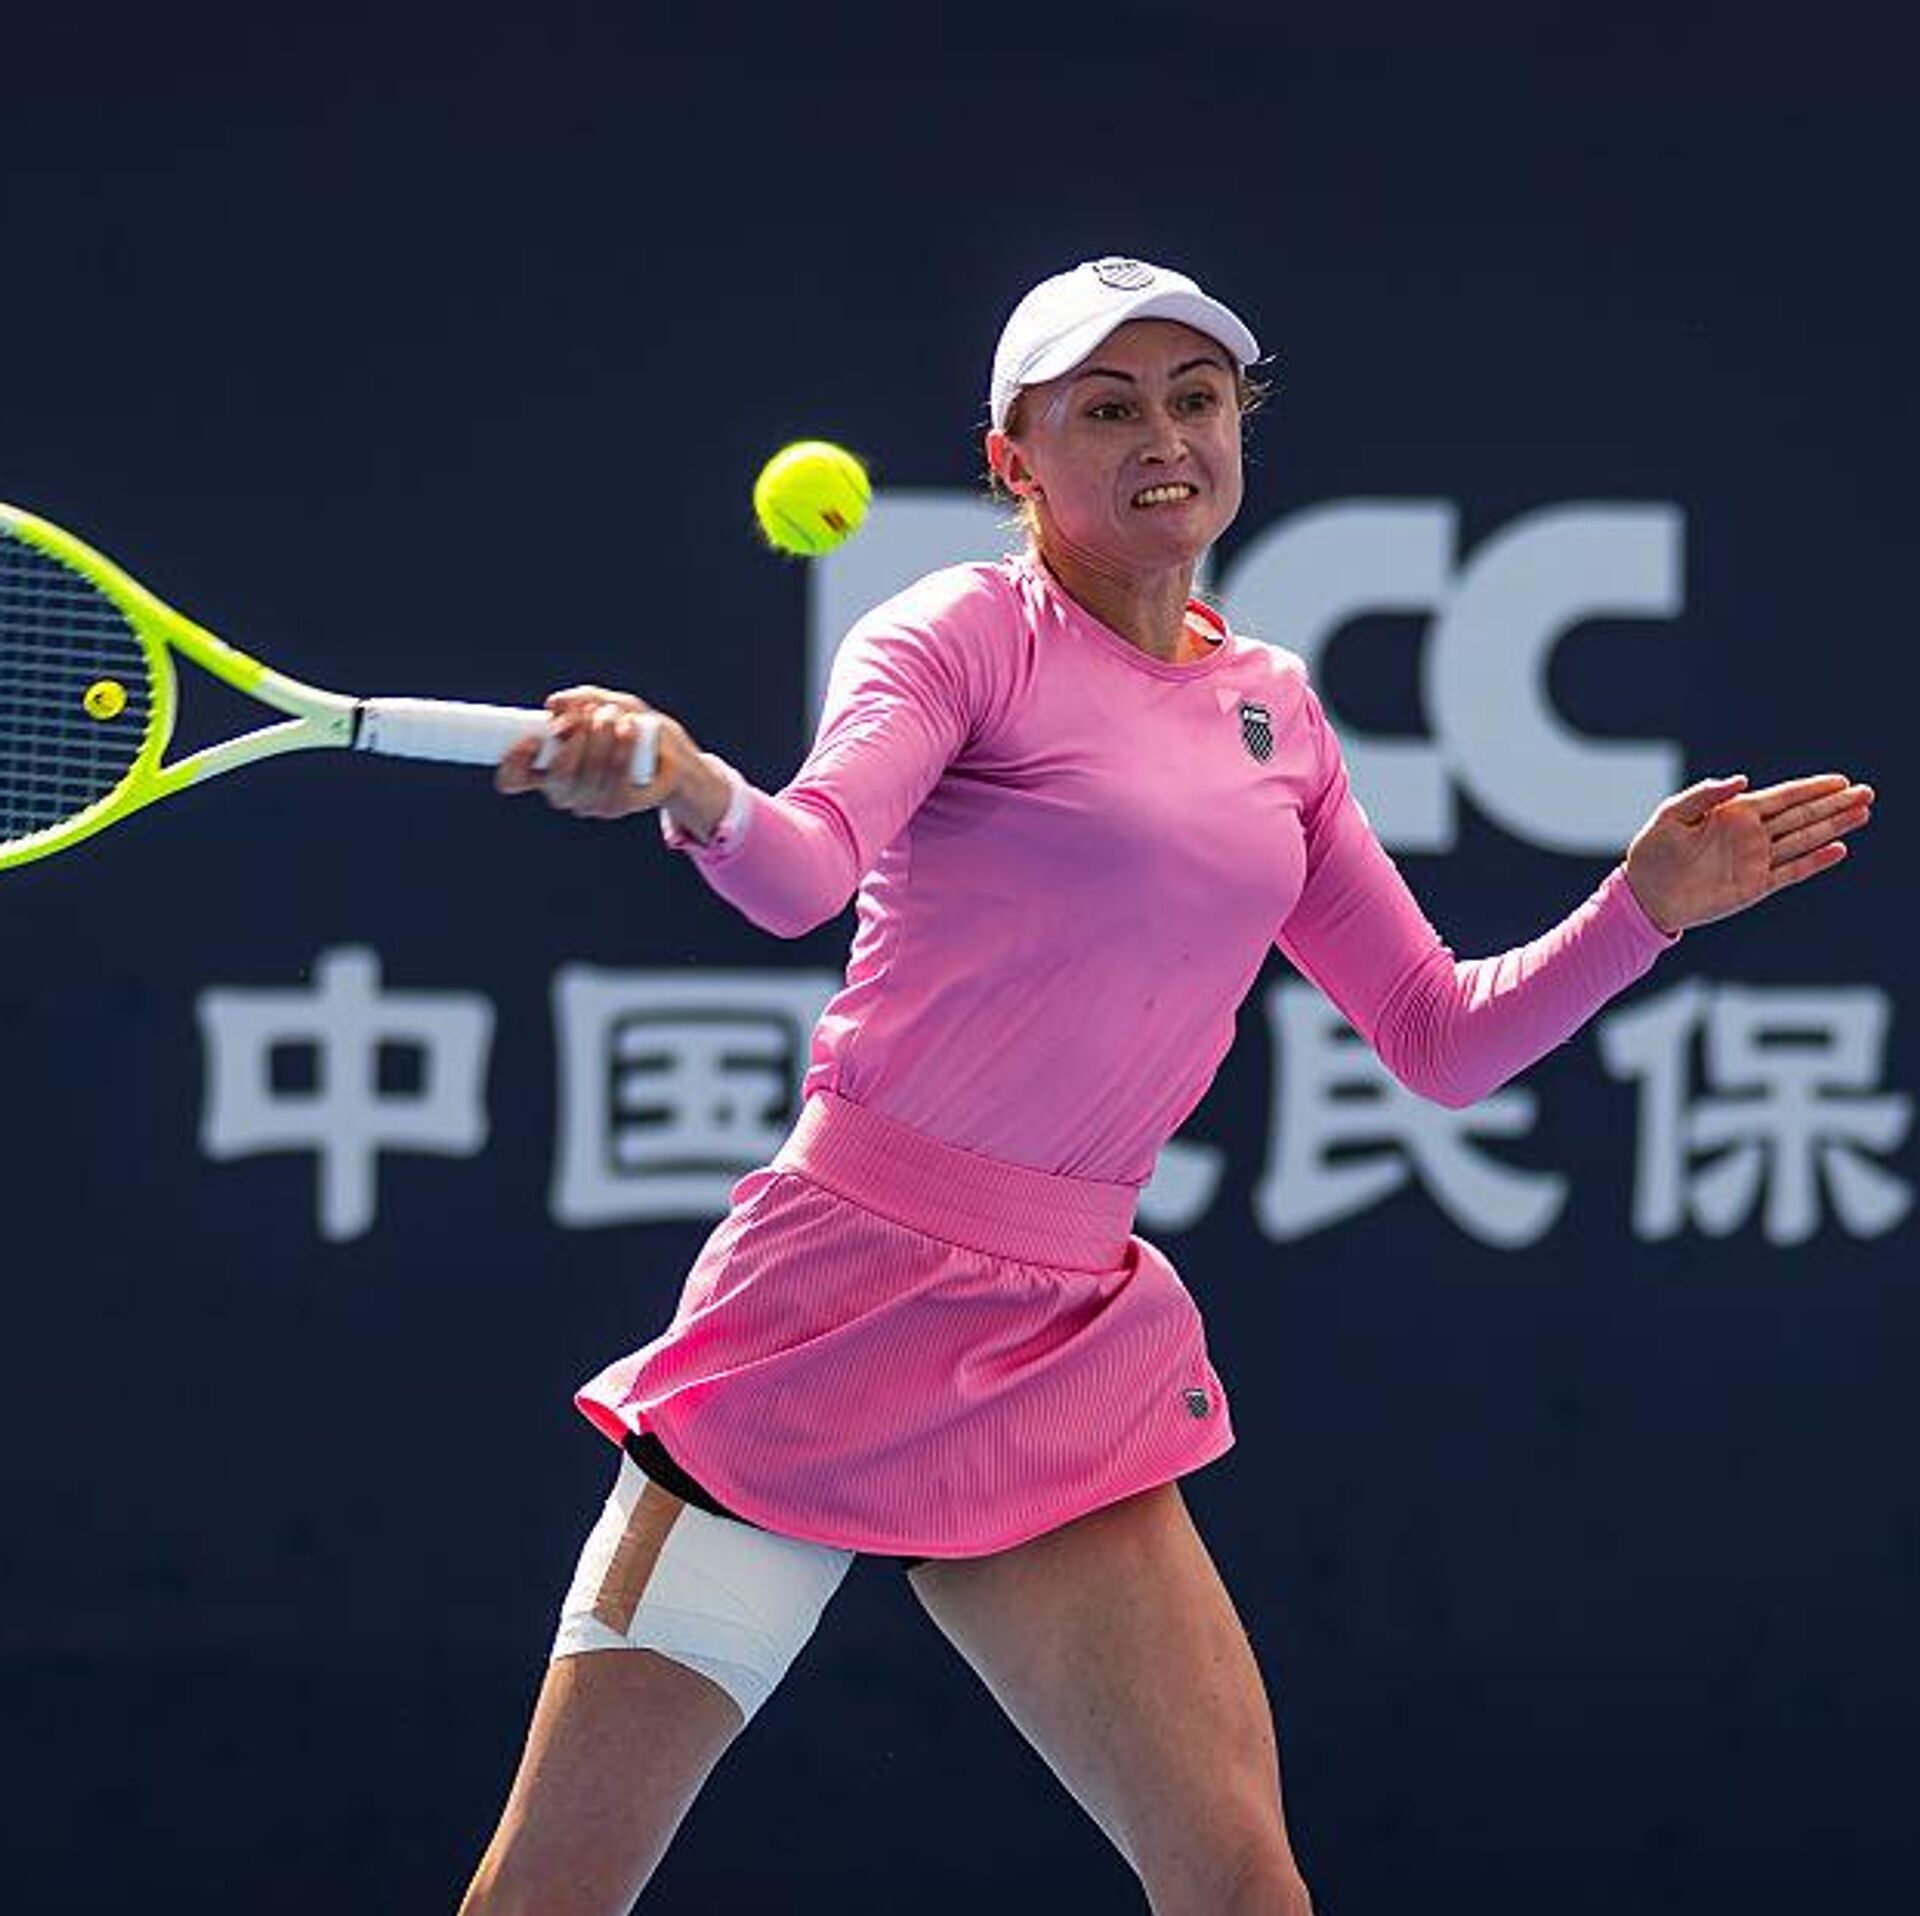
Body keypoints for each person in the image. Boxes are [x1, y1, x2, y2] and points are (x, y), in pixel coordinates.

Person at [460, 257, 1874, 1916]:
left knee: (1239, 1885)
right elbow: (803, 870)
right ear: (1014, 461)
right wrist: (696, 788)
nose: (1165, 439)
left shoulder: (1276, 711)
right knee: (554, 1895)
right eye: (1107, 409)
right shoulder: (955, 633)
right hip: (825, 1308)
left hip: (1055, 1339)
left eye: (1196, 401)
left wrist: (1641, 910)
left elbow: (1439, 1036)